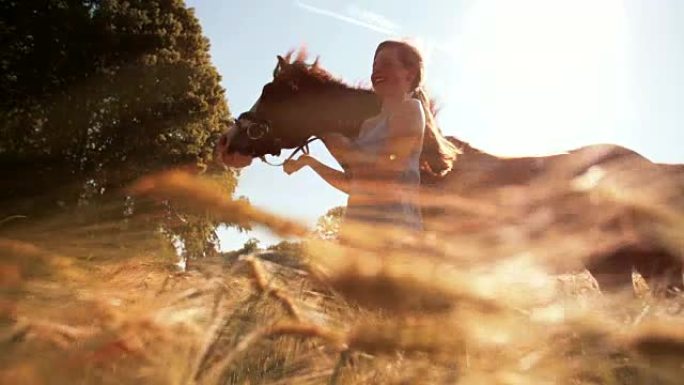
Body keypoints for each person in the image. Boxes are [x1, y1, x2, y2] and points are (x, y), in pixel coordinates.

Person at [283, 40, 458, 237]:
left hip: (395, 237)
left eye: (386, 64)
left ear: (409, 75)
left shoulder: (410, 109)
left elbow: (385, 174)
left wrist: (339, 143)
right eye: (374, 65)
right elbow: (354, 186)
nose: (377, 70)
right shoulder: (369, 126)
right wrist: (311, 162)